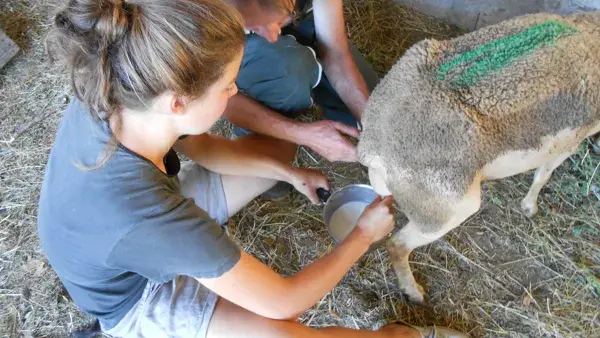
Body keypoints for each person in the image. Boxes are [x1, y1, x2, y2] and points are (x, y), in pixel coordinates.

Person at [37, 0, 467, 337]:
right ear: (179, 103)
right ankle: (400, 335)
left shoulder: (131, 87)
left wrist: (289, 174)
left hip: (127, 235)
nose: (235, 92)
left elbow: (203, 147)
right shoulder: (147, 214)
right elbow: (284, 301)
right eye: (228, 86)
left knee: (276, 159)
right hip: (134, 297)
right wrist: (362, 235)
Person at [224, 0, 379, 163]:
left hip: (302, 18)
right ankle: (253, 137)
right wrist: (305, 135)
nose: (273, 34)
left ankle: (289, 31)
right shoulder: (203, 12)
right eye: (253, 26)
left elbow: (337, 55)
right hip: (232, 42)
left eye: (277, 21)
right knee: (288, 76)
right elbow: (221, 100)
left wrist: (370, 120)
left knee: (378, 107)